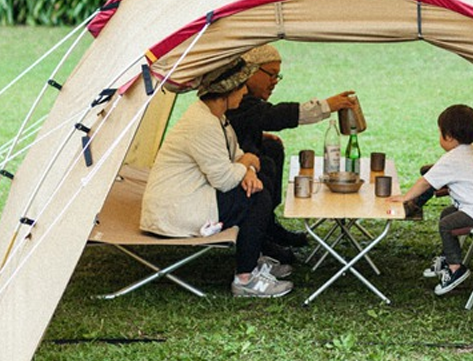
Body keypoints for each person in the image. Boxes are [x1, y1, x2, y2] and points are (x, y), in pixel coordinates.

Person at [140, 57, 293, 298]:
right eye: (241, 86)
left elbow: (239, 156)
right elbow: (225, 179)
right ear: (226, 90)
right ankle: (245, 278)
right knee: (257, 197)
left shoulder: (216, 117)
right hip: (176, 209)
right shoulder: (202, 124)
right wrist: (247, 165)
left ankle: (253, 260)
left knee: (259, 181)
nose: (245, 91)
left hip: (194, 195)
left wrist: (250, 168)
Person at [227, 43, 357, 239]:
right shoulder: (237, 98)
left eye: (277, 76)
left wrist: (258, 135)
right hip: (228, 165)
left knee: (272, 147)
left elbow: (246, 121)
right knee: (266, 165)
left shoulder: (245, 99)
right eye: (270, 74)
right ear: (250, 71)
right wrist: (325, 106)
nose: (274, 81)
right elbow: (271, 115)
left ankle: (268, 223)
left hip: (235, 154)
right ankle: (260, 236)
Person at [400, 104, 473, 296]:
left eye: (440, 132)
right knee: (447, 214)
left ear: (448, 136)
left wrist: (404, 198)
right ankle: (447, 258)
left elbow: (425, 182)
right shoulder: (470, 152)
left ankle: (456, 269)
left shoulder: (453, 158)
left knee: (446, 225)